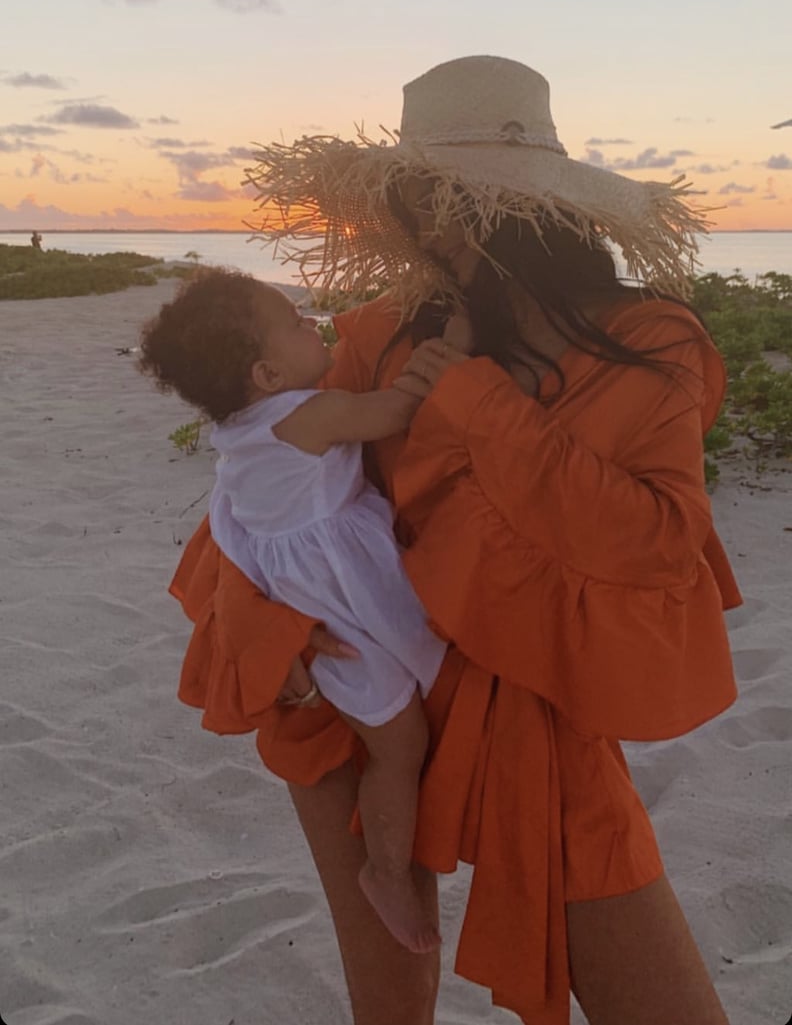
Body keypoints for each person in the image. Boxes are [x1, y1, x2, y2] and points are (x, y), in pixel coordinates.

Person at [168, 55, 742, 1025]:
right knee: (387, 984)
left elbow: (658, 542)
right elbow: (264, 481)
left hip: (532, 707)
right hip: (355, 685)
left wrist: (476, 399)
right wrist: (279, 636)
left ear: (510, 205)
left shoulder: (650, 341)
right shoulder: (385, 330)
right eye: (411, 197)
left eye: (433, 195)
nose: (418, 220)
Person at [139, 271, 457, 954]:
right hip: (346, 611)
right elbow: (395, 410)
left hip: (315, 615)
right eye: (296, 321)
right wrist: (428, 368)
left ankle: (390, 866)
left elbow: (238, 525)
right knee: (400, 748)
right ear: (267, 370)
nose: (315, 322)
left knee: (397, 743)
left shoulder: (238, 433)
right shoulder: (312, 413)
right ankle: (387, 870)